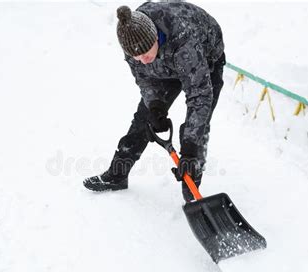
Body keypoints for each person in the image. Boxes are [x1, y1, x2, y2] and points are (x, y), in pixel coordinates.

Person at [83, 1, 225, 202]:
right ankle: (117, 174)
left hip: (205, 61)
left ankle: (191, 191)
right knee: (144, 118)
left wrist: (190, 147)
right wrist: (155, 106)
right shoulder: (133, 41)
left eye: (145, 52)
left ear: (155, 37)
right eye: (136, 56)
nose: (142, 59)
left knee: (195, 132)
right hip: (166, 64)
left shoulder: (184, 39)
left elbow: (200, 97)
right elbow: (144, 77)